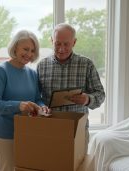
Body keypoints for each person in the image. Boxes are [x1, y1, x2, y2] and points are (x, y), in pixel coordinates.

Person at [37, 23, 105, 152]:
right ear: (52, 41)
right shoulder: (42, 66)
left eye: (66, 44)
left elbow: (100, 94)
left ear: (74, 42)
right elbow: (36, 97)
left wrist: (87, 99)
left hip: (78, 129)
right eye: (58, 43)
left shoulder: (87, 64)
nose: (61, 49)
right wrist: (40, 107)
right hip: (49, 129)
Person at [0, 30, 48, 171]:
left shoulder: (32, 73)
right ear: (15, 47)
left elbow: (37, 99)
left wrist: (42, 107)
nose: (29, 54)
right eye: (25, 49)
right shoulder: (1, 71)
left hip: (28, 133)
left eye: (33, 51)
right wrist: (19, 106)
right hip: (6, 134)